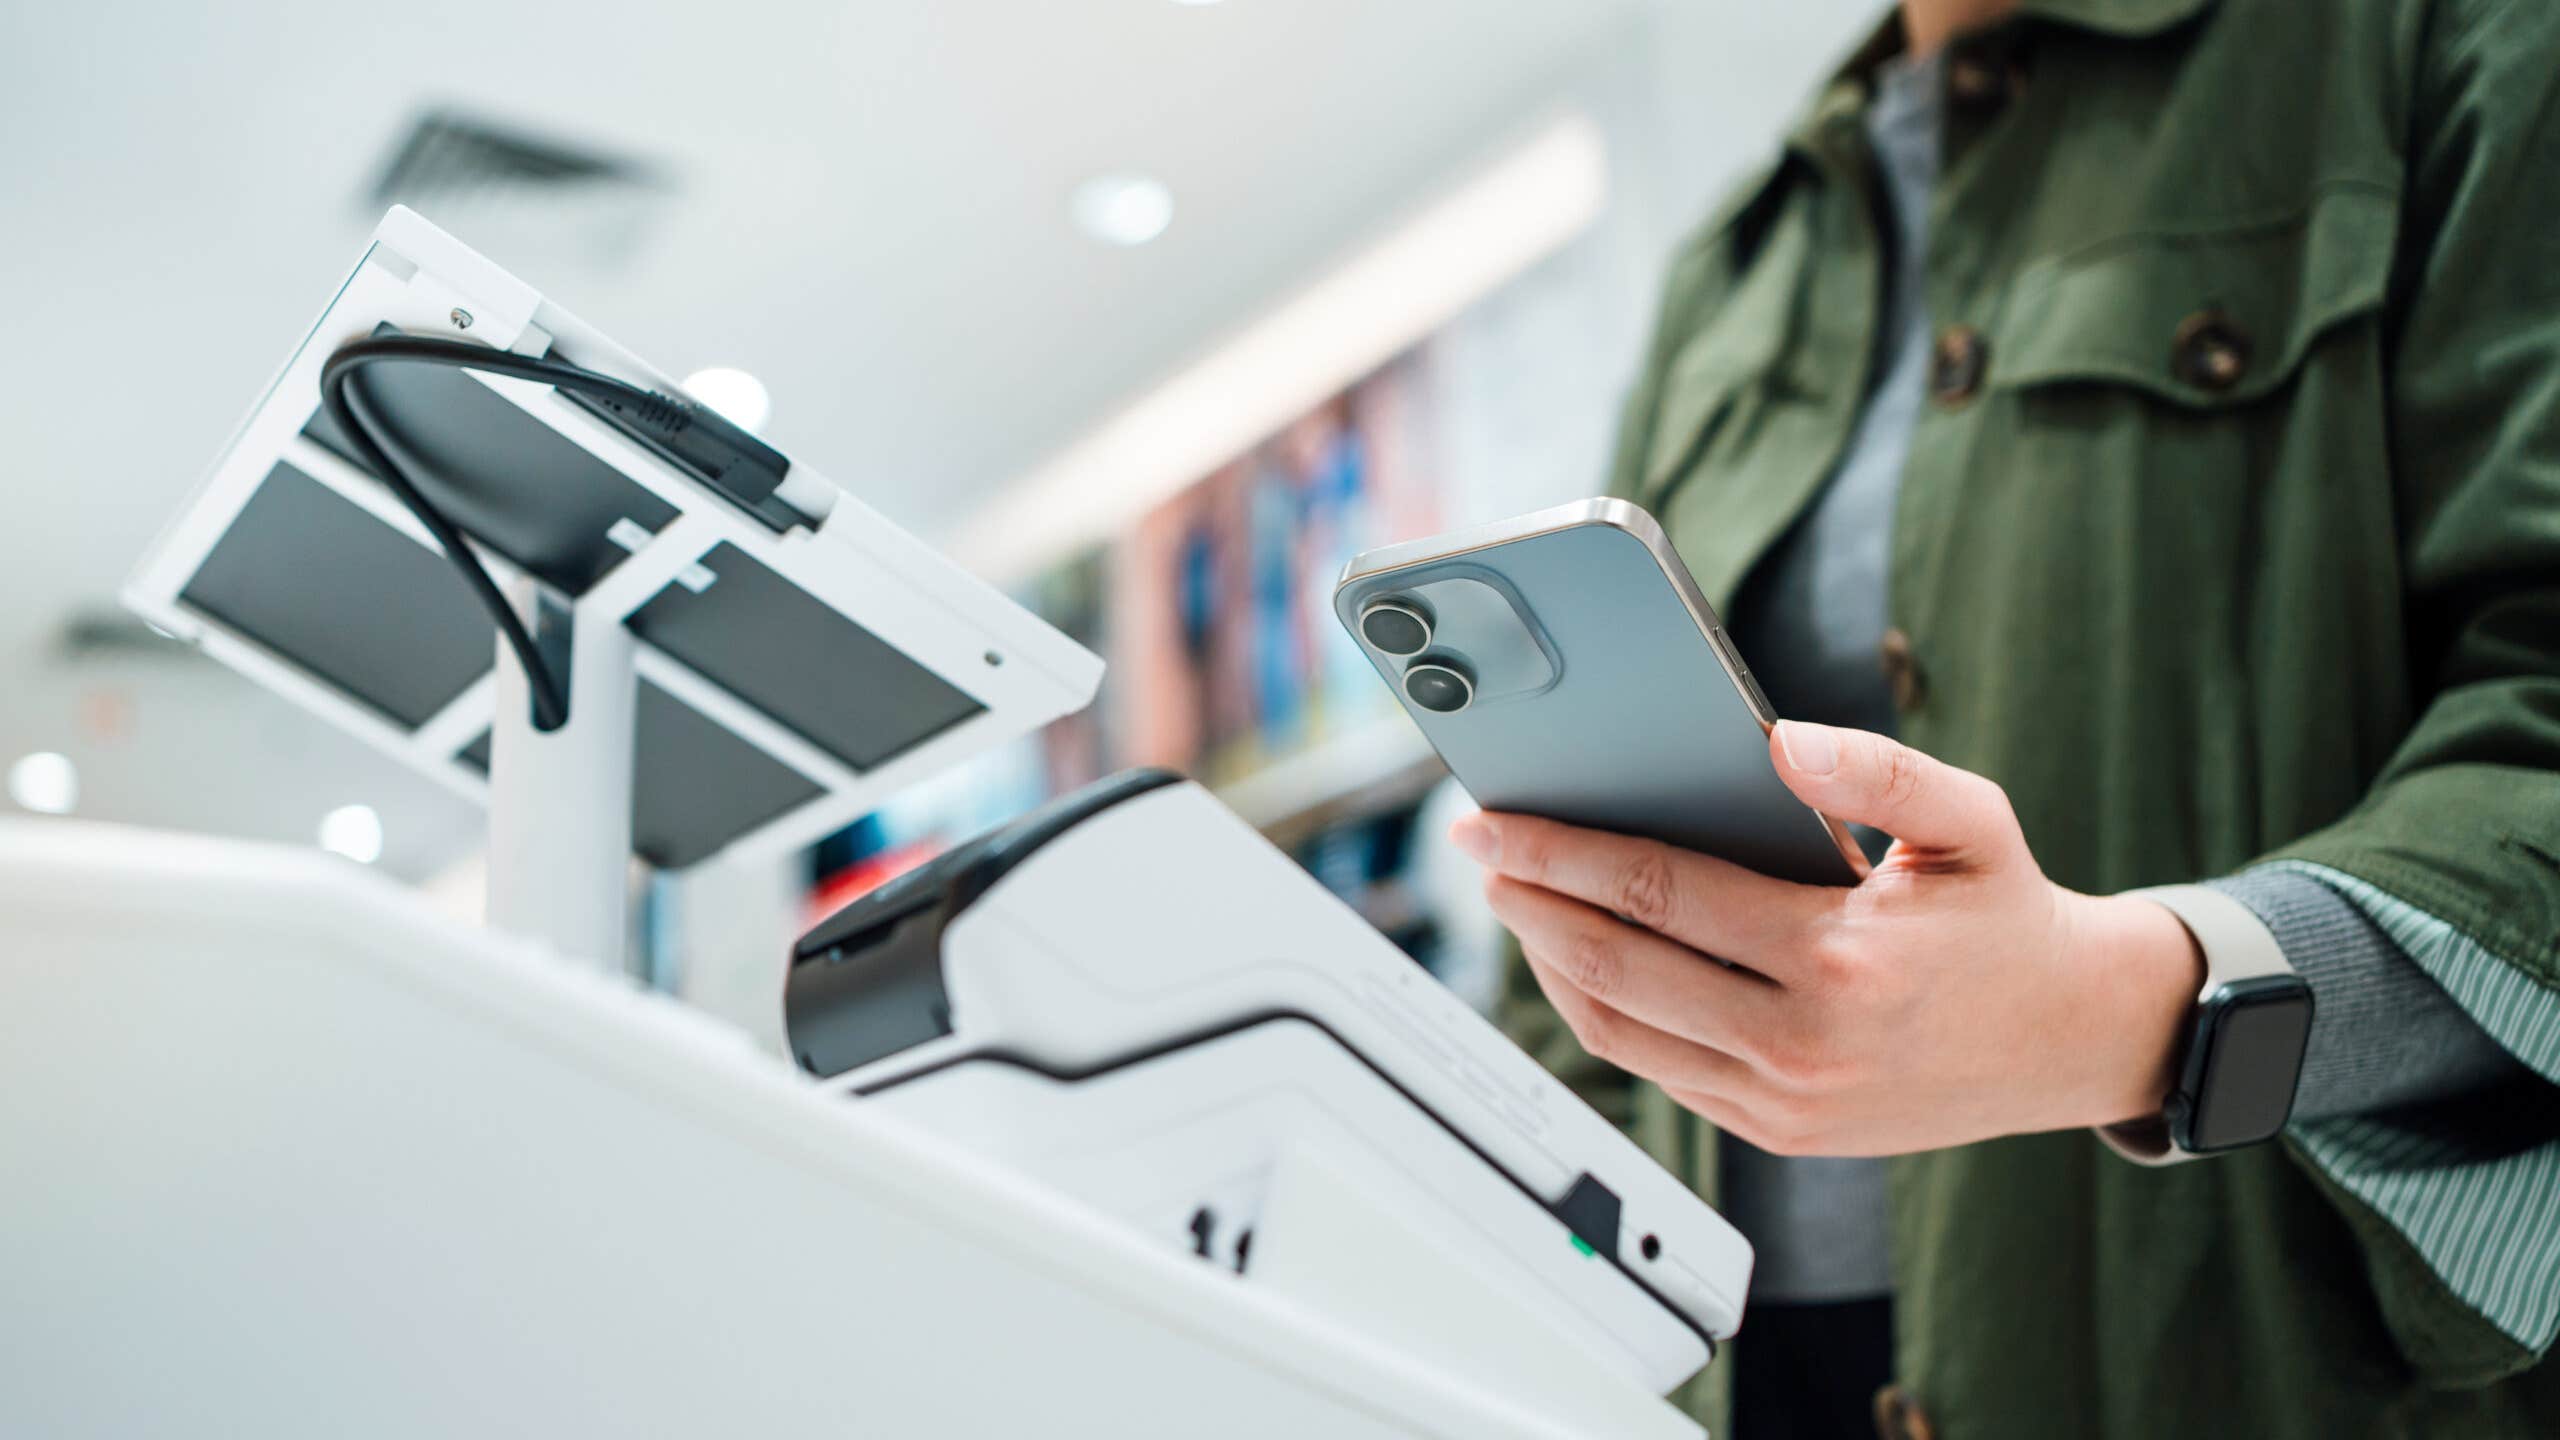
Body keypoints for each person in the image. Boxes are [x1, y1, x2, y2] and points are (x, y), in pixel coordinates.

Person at [1450, 1, 2560, 1436]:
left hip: (2250, 1371)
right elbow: (1566, 944)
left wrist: (2133, 1010)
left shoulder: (2426, 45)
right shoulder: (1734, 270)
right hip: (1743, 1382)